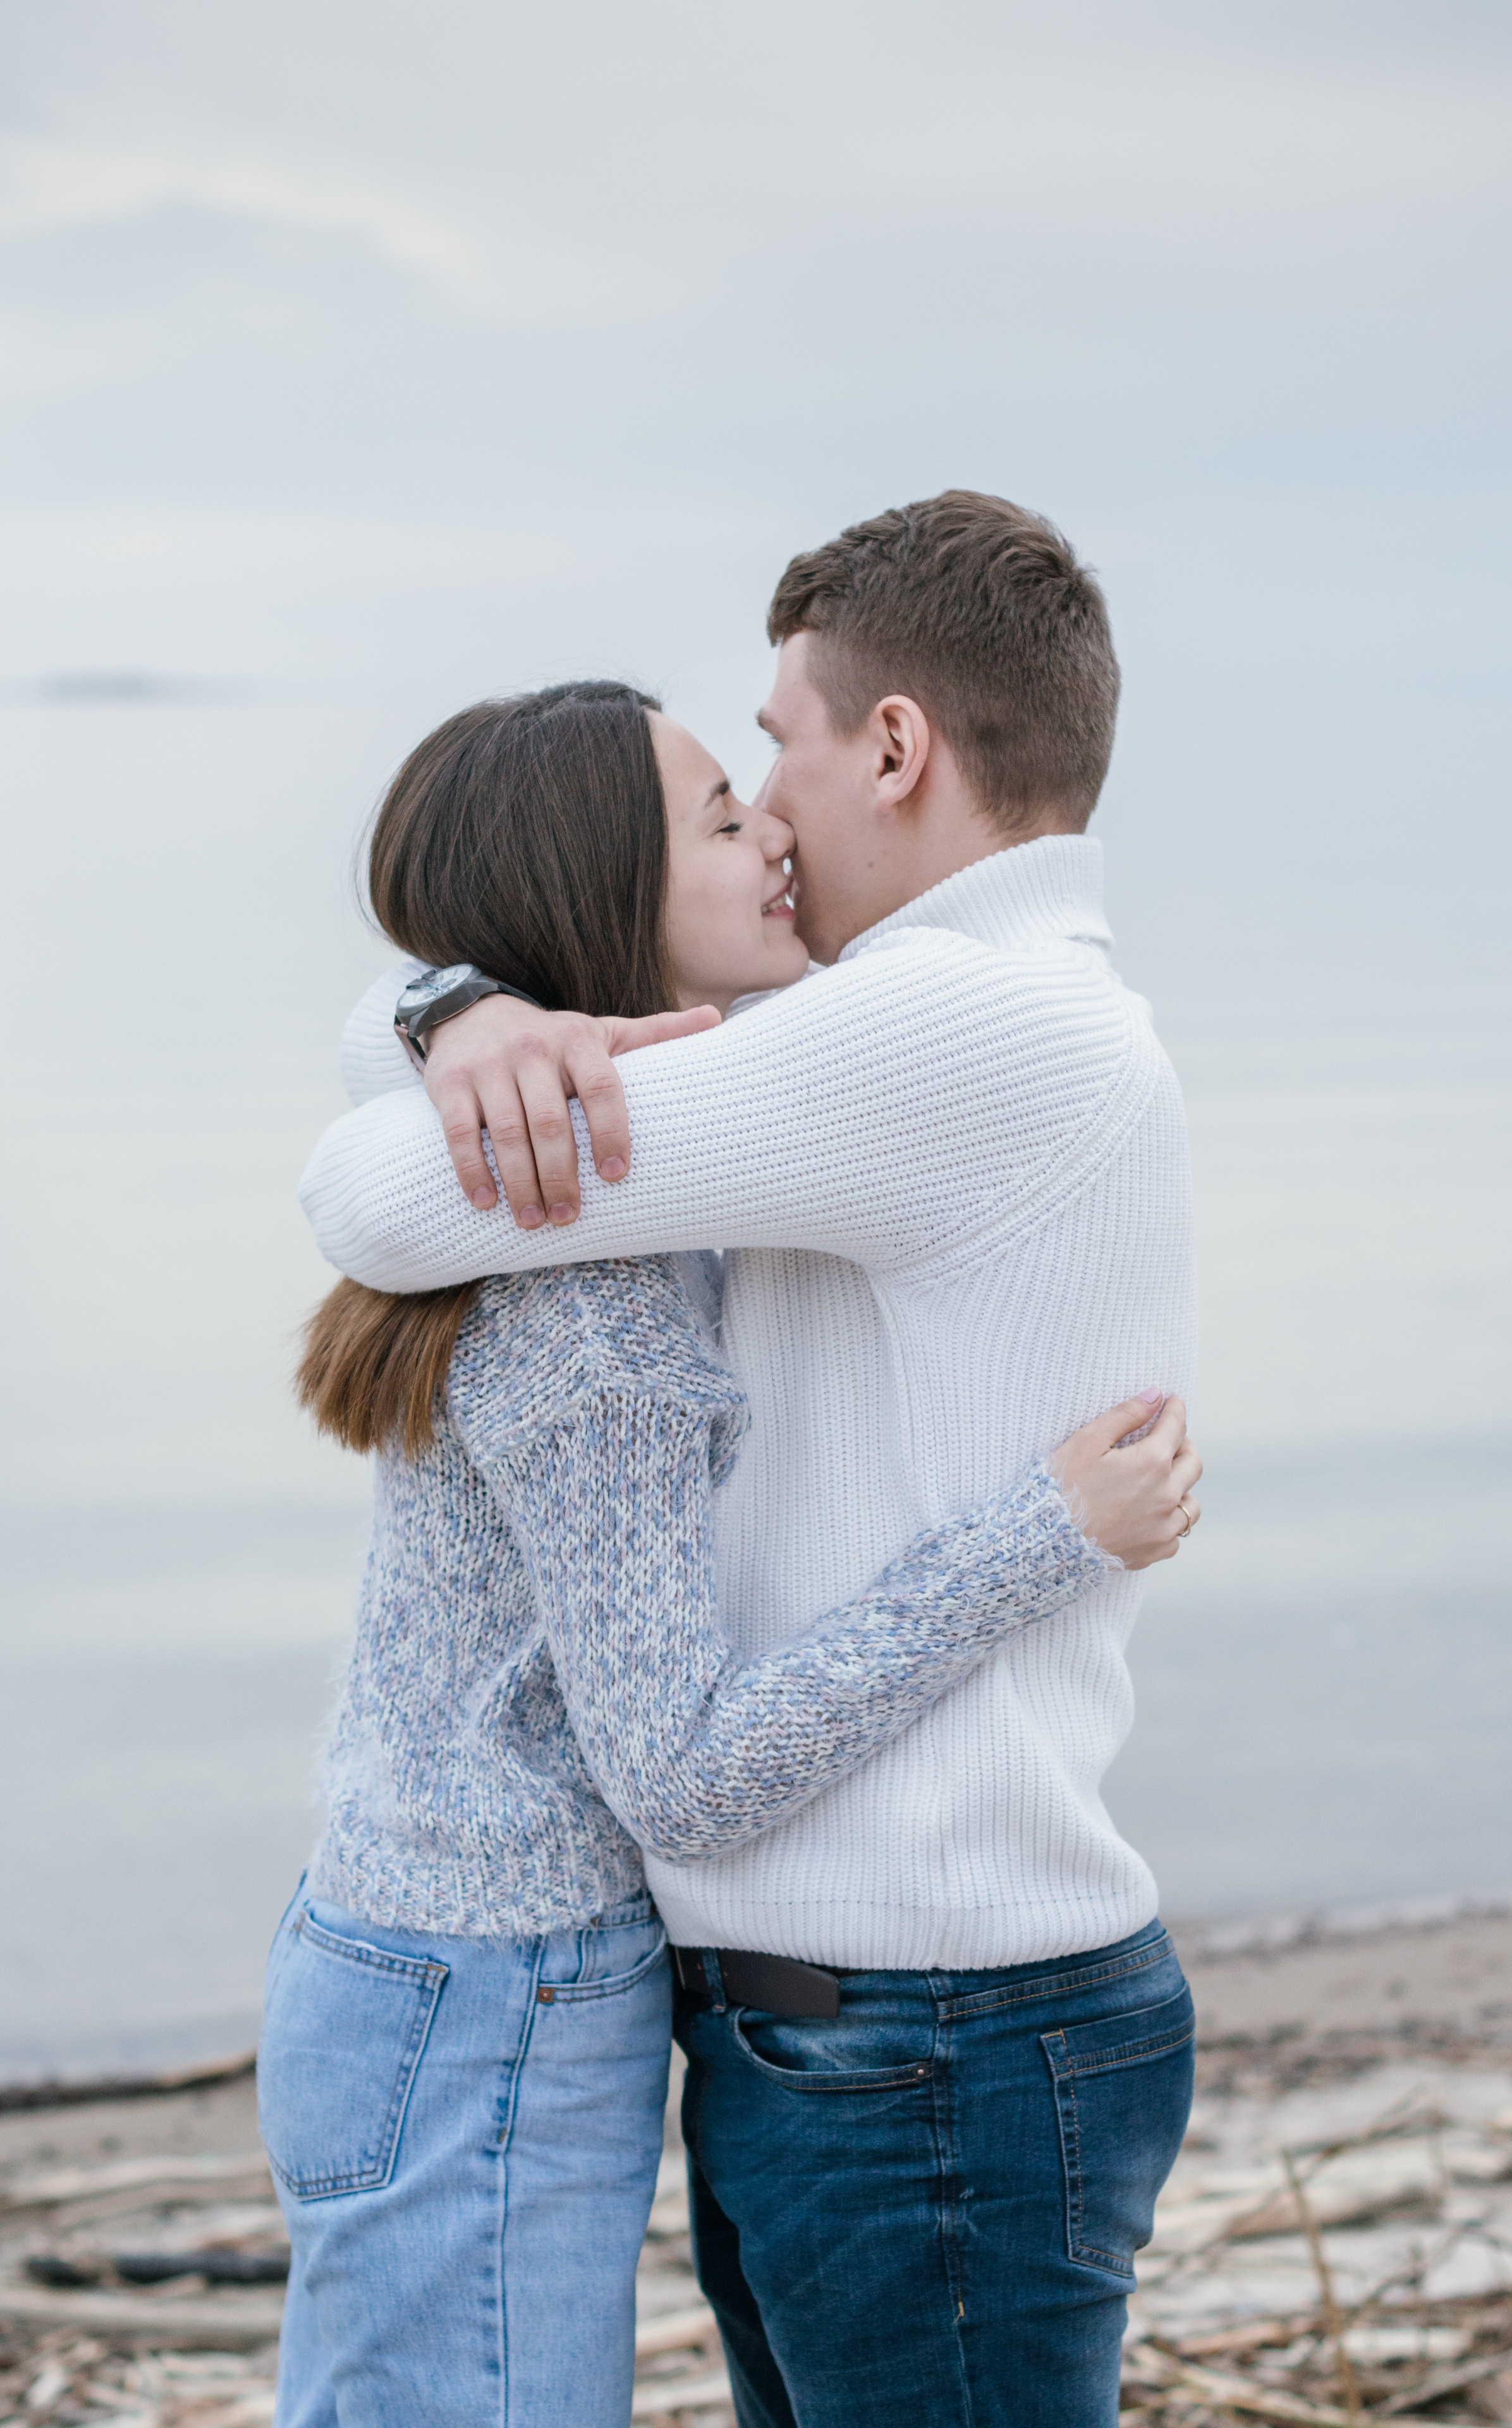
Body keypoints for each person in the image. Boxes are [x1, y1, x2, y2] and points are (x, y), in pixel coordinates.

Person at [300, 493, 1203, 2428]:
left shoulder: (941, 1025)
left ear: (893, 745)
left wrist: (464, 1040)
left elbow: (374, 1197)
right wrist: (461, 1007)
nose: (769, 808)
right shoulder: (884, 1030)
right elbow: (449, 1026)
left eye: (770, 748)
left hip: (930, 2036)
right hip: (856, 2029)